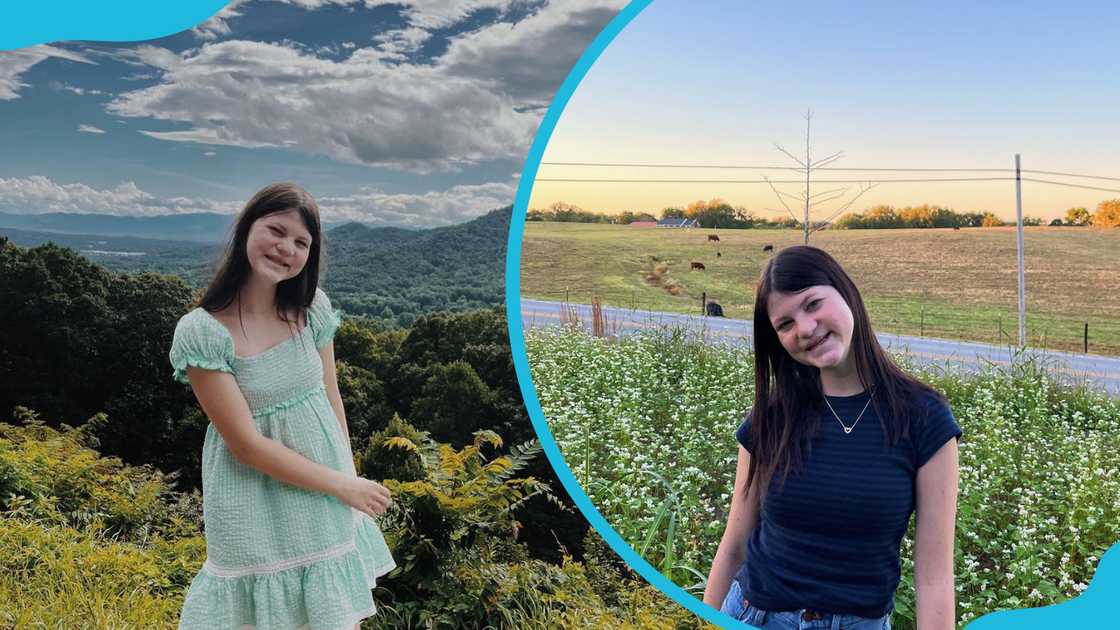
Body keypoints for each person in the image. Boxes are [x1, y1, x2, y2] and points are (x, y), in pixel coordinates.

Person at [169, 182, 396, 630]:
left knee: (335, 615)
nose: (286, 248)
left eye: (301, 242)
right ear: (246, 228)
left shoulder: (311, 310)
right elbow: (246, 446)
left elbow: (331, 396)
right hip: (252, 504)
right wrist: (339, 485)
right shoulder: (202, 333)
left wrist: (346, 478)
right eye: (276, 230)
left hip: (328, 491)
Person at [703, 246, 961, 630]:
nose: (804, 329)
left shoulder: (925, 420)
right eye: (784, 324)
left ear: (846, 292)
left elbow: (935, 579)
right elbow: (735, 545)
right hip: (753, 616)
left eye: (812, 304)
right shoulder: (771, 418)